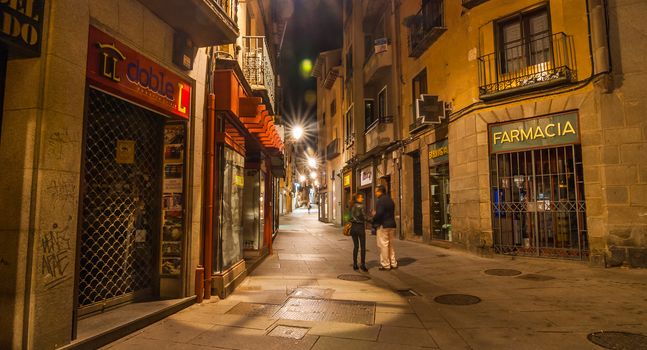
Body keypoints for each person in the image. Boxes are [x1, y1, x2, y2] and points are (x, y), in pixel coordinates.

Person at [372, 185, 397, 270]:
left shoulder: (380, 201)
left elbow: (379, 214)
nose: (375, 193)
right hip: (392, 225)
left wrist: (374, 217)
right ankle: (393, 263)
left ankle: (386, 264)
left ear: (380, 191)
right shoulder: (390, 200)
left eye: (376, 191)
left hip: (383, 225)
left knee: (383, 245)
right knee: (390, 244)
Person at [349, 193, 369, 272]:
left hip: (353, 228)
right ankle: (363, 264)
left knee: (356, 246)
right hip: (360, 228)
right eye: (361, 197)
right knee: (363, 247)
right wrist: (372, 220)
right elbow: (364, 217)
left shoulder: (351, 206)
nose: (362, 199)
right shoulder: (361, 206)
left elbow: (348, 217)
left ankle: (355, 264)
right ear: (357, 198)